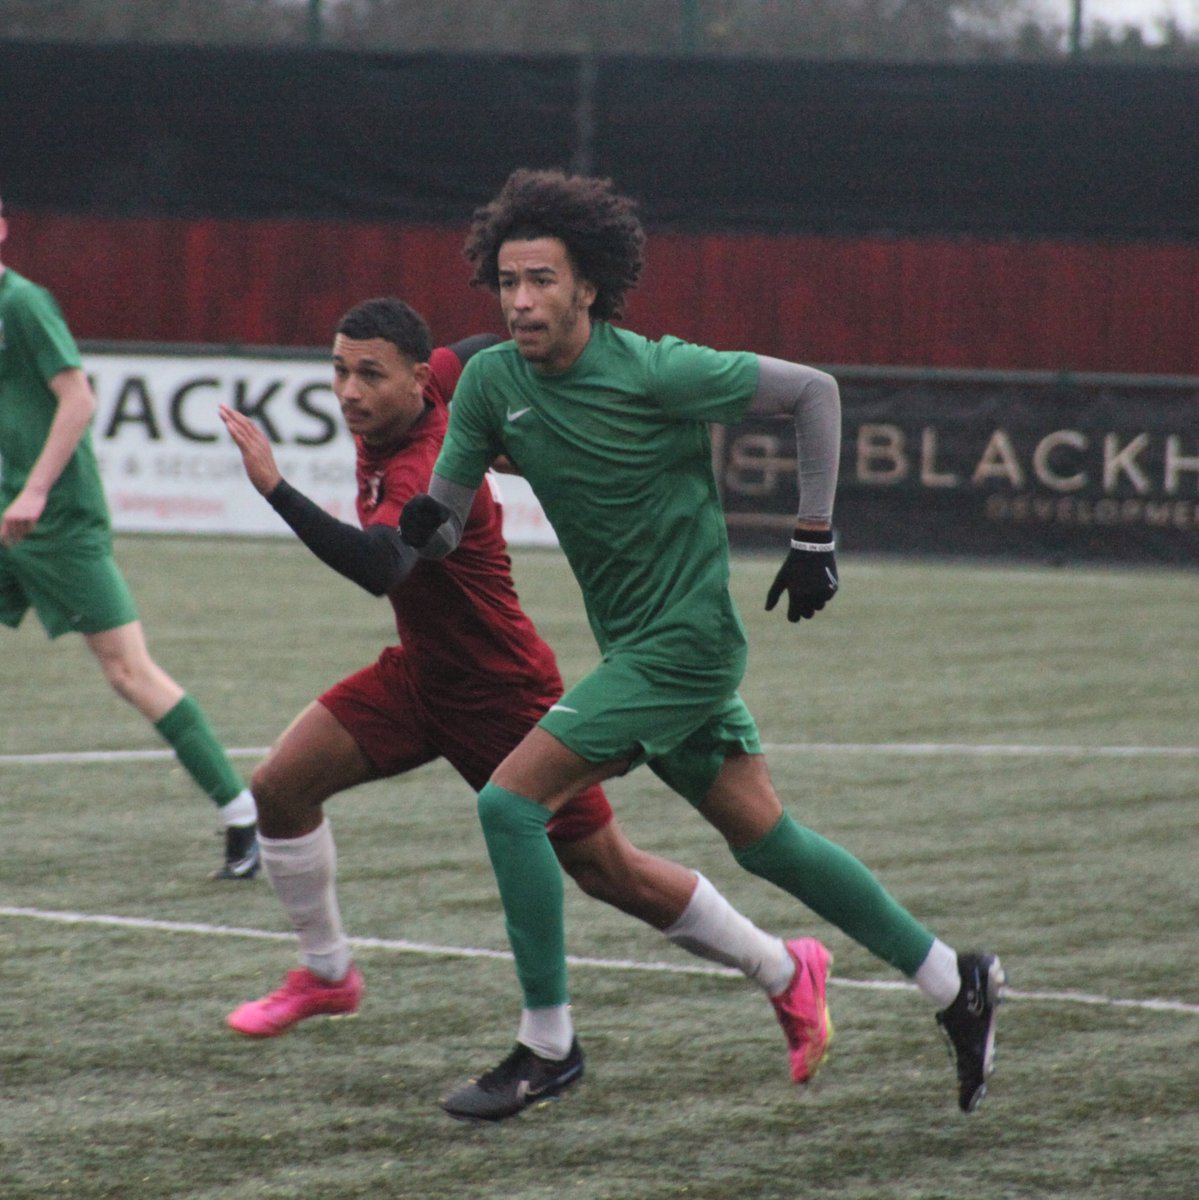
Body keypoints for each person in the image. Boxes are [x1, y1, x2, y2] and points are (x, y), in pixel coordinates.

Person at [400, 168, 1005, 1122]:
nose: (519, 301)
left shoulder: (656, 369)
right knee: (770, 845)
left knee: (510, 804)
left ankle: (547, 1047)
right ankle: (952, 982)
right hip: (637, 646)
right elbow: (442, 518)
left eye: (542, 281)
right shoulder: (488, 383)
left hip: (682, 649)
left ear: (588, 286)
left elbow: (815, 393)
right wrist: (420, 527)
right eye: (507, 281)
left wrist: (814, 536)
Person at [217, 296, 834, 1095]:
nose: (349, 391)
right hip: (418, 675)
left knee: (610, 872)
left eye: (370, 374)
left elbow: (381, 567)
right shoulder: (440, 377)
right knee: (278, 788)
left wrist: (274, 486)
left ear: (412, 382)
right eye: (339, 369)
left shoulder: (428, 466)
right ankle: (327, 973)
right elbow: (477, 347)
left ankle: (785, 969)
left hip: (499, 693)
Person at [0, 195, 259, 880]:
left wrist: (33, 489)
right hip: (6, 515)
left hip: (56, 521)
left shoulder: (22, 303)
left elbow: (78, 398)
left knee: (127, 672)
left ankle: (243, 817)